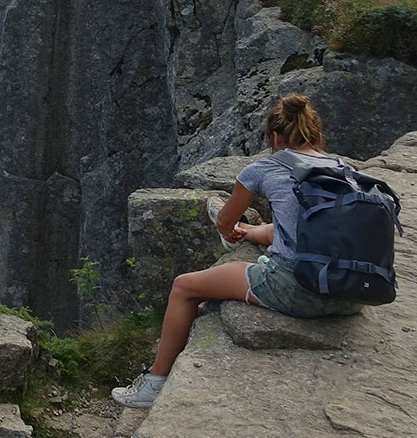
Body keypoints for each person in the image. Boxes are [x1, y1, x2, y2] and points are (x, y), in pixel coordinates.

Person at [112, 94, 363, 409]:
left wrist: (231, 232)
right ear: (317, 135)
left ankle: (154, 382)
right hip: (353, 292)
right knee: (275, 235)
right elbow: (296, 232)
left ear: (274, 137)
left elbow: (224, 221)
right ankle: (251, 238)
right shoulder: (344, 170)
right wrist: (253, 232)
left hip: (300, 290)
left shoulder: (264, 169)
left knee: (184, 287)